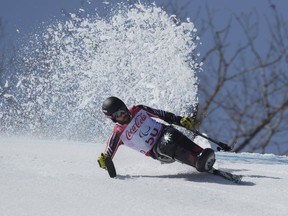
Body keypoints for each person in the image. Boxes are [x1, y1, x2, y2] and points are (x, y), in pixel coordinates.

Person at [98, 96, 215, 175]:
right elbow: (108, 153)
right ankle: (196, 162)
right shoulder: (118, 133)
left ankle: (200, 153)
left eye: (123, 110)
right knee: (167, 143)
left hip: (166, 132)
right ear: (113, 119)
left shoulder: (138, 110)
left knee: (171, 134)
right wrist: (104, 161)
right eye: (118, 114)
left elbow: (161, 114)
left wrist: (180, 120)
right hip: (158, 151)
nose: (123, 114)